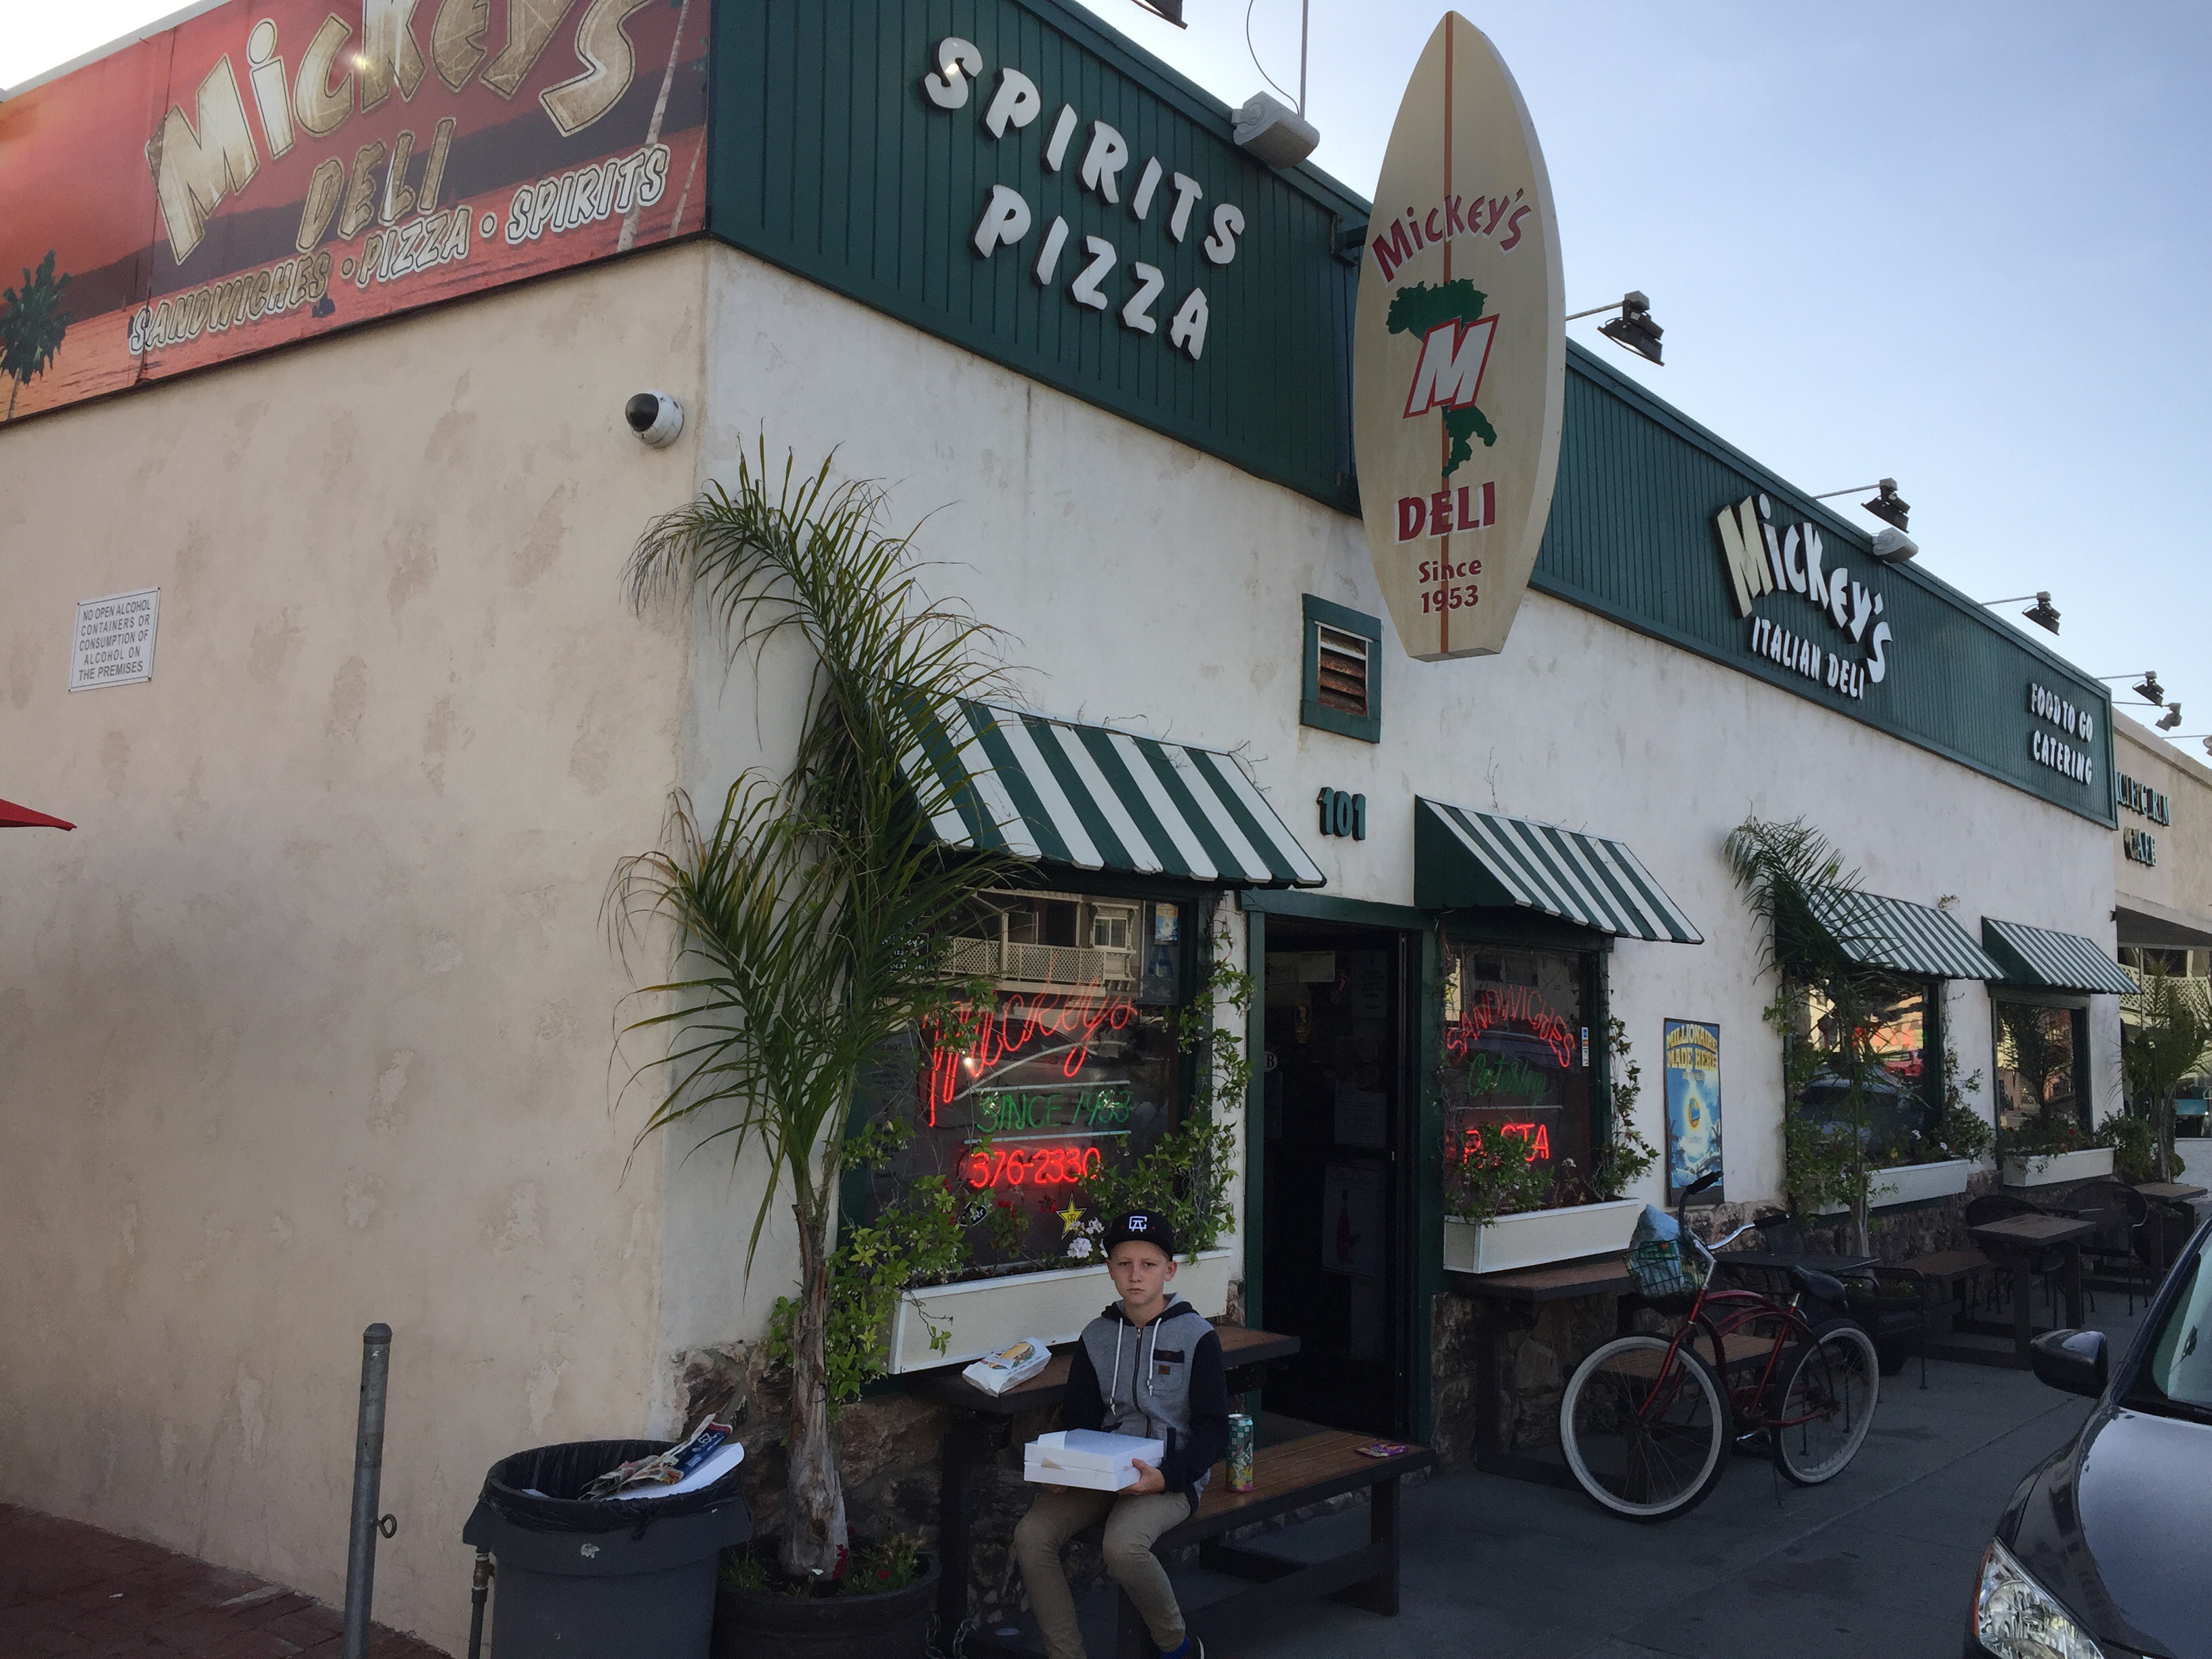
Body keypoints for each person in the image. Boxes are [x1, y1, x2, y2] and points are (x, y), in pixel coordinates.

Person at [1013, 1210, 1228, 1659]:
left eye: (1149, 1264)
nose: (1135, 1275)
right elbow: (1079, 1418)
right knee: (1032, 1536)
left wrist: (1168, 1477)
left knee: (1123, 1546)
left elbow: (1214, 1431)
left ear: (1170, 1271)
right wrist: (1064, 1470)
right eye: (1124, 1263)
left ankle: (1177, 1646)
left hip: (1169, 1475)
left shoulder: (1197, 1336)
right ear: (1109, 1268)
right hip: (1101, 1472)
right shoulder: (1096, 1336)